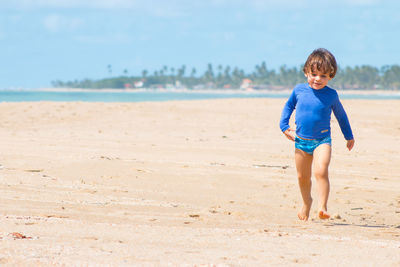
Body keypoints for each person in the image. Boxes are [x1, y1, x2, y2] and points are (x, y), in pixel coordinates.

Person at [279, 48, 355, 221]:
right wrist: (284, 127)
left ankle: (322, 207)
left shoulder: (331, 95)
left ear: (331, 76)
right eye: (314, 74)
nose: (318, 79)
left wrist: (348, 135)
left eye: (323, 76)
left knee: (321, 171)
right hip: (300, 141)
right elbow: (288, 107)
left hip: (322, 141)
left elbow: (341, 115)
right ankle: (307, 203)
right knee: (302, 177)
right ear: (306, 72)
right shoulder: (299, 91)